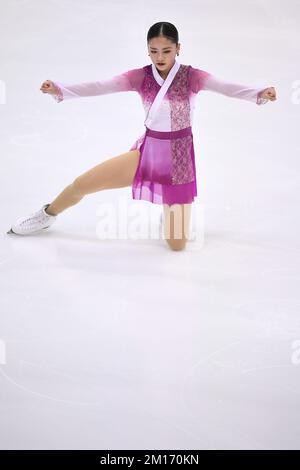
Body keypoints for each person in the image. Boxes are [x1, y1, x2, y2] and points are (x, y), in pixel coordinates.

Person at [7, 22, 277, 251]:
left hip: (180, 161)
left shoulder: (192, 76)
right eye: (154, 51)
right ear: (147, 51)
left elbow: (226, 87)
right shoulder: (140, 77)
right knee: (83, 184)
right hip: (148, 154)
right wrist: (60, 89)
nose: (160, 57)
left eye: (167, 51)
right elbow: (100, 86)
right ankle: (46, 214)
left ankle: (169, 211)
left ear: (178, 49)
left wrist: (259, 93)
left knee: (177, 245)